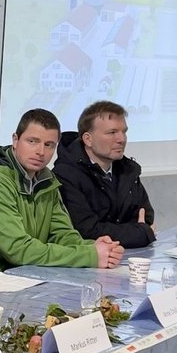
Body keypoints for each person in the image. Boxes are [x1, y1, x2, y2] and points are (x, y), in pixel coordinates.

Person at [0, 108, 124, 276]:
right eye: (32, 141)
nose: (41, 152)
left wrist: (92, 247)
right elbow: (18, 250)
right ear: (15, 140)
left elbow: (61, 234)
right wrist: (90, 256)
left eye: (49, 145)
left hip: (20, 274)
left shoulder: (47, 180)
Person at [53, 100, 155, 248]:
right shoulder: (65, 175)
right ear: (88, 139)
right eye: (112, 132)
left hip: (129, 255)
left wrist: (140, 231)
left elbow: (146, 219)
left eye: (124, 132)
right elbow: (86, 231)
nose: (121, 139)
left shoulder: (128, 170)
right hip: (89, 259)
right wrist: (139, 233)